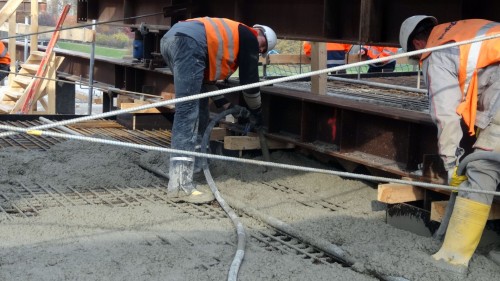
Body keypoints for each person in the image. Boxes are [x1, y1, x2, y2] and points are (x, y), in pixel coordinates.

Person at [399, 15, 500, 274]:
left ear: (418, 43)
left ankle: (451, 262)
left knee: (482, 168)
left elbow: (445, 115)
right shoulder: (465, 29)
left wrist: (452, 164)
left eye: (415, 57)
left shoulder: (436, 52)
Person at [160, 17, 277, 203]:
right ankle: (180, 185)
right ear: (261, 35)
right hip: (187, 43)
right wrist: (257, 112)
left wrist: (227, 106)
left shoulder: (225, 37)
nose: (260, 51)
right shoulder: (249, 36)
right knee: (187, 112)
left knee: (200, 108)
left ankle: (196, 168)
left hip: (171, 40)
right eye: (263, 48)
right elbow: (250, 85)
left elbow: (206, 84)